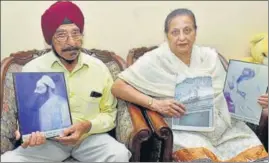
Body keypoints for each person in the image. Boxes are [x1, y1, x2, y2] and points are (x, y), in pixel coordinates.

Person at [112, 8, 268, 162]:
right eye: (175, 32)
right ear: (167, 35)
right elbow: (118, 87)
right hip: (185, 132)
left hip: (227, 129)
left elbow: (230, 96)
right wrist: (156, 104)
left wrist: (256, 101)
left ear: (195, 32)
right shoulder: (154, 60)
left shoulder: (210, 57)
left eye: (187, 30)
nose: (182, 37)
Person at [1, 1, 131, 162]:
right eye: (61, 35)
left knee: (119, 155)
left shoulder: (99, 68)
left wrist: (87, 126)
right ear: (50, 40)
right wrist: (30, 134)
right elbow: (28, 116)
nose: (71, 42)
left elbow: (109, 113)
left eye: (76, 33)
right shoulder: (32, 69)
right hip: (48, 143)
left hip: (89, 139)